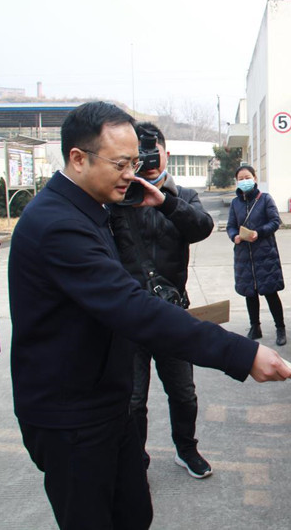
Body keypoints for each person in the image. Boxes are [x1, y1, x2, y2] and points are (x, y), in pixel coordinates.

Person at [9, 101, 291, 530]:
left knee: (134, 513)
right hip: (72, 415)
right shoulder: (58, 224)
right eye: (120, 164)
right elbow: (132, 306)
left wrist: (161, 204)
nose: (131, 174)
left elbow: (178, 242)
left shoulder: (95, 208)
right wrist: (242, 353)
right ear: (78, 158)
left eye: (135, 163)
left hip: (107, 401)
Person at [109, 122, 215, 478]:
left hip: (172, 313)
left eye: (155, 153)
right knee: (133, 398)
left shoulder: (183, 195)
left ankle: (187, 449)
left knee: (183, 392)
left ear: (166, 153)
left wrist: (166, 202)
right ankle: (135, 458)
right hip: (129, 315)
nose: (150, 161)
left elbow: (202, 228)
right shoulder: (116, 199)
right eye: (140, 156)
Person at [226, 165, 287, 346]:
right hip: (244, 255)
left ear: (254, 178)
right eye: (241, 178)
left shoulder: (265, 199)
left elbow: (275, 221)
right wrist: (234, 236)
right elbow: (230, 226)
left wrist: (258, 233)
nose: (244, 181)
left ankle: (280, 328)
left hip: (265, 253)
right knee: (249, 293)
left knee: (270, 292)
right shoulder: (235, 203)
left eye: (247, 177)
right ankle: (255, 327)